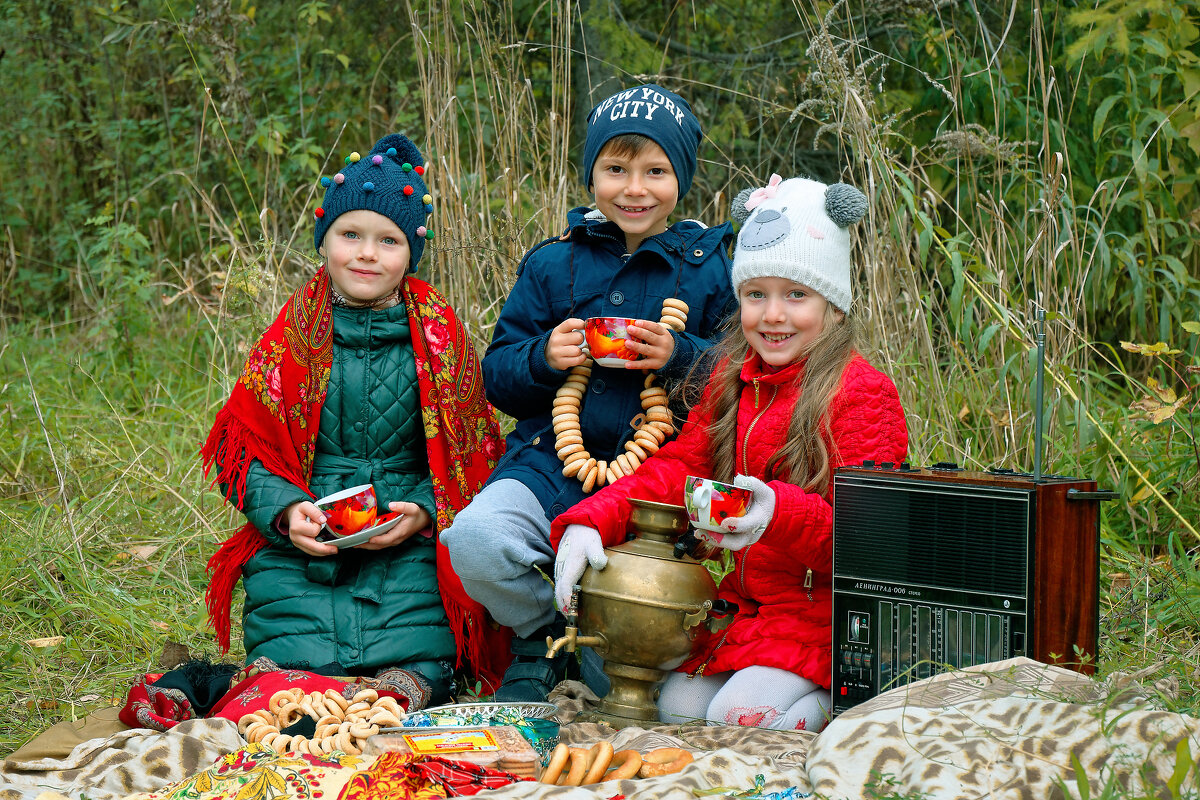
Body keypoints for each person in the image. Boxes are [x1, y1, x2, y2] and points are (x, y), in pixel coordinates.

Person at [551, 175, 909, 731]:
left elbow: (873, 547)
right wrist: (592, 521)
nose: (772, 315)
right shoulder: (733, 379)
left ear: (834, 305)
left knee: (739, 718)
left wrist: (778, 515)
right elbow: (679, 467)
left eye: (797, 295)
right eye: (755, 294)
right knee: (677, 712)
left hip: (824, 614)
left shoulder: (861, 393)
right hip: (743, 609)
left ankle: (849, 706)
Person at [439, 83, 737, 701]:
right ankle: (540, 636)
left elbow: (739, 381)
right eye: (615, 169)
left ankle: (597, 657)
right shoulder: (554, 264)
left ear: (682, 177)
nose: (634, 189)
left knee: (637, 683)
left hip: (652, 480)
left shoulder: (712, 268)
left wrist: (680, 358)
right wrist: (543, 357)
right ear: (591, 174)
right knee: (474, 539)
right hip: (549, 460)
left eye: (656, 171)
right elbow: (498, 375)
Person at [200, 133, 510, 706]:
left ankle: (402, 686)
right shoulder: (295, 332)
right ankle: (282, 684)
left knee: (419, 669)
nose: (367, 254)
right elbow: (244, 454)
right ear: (325, 241)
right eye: (351, 235)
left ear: (410, 254)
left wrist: (422, 510)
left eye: (387, 240)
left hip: (405, 538)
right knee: (279, 678)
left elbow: (473, 461)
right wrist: (288, 512)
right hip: (308, 539)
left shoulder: (439, 336)